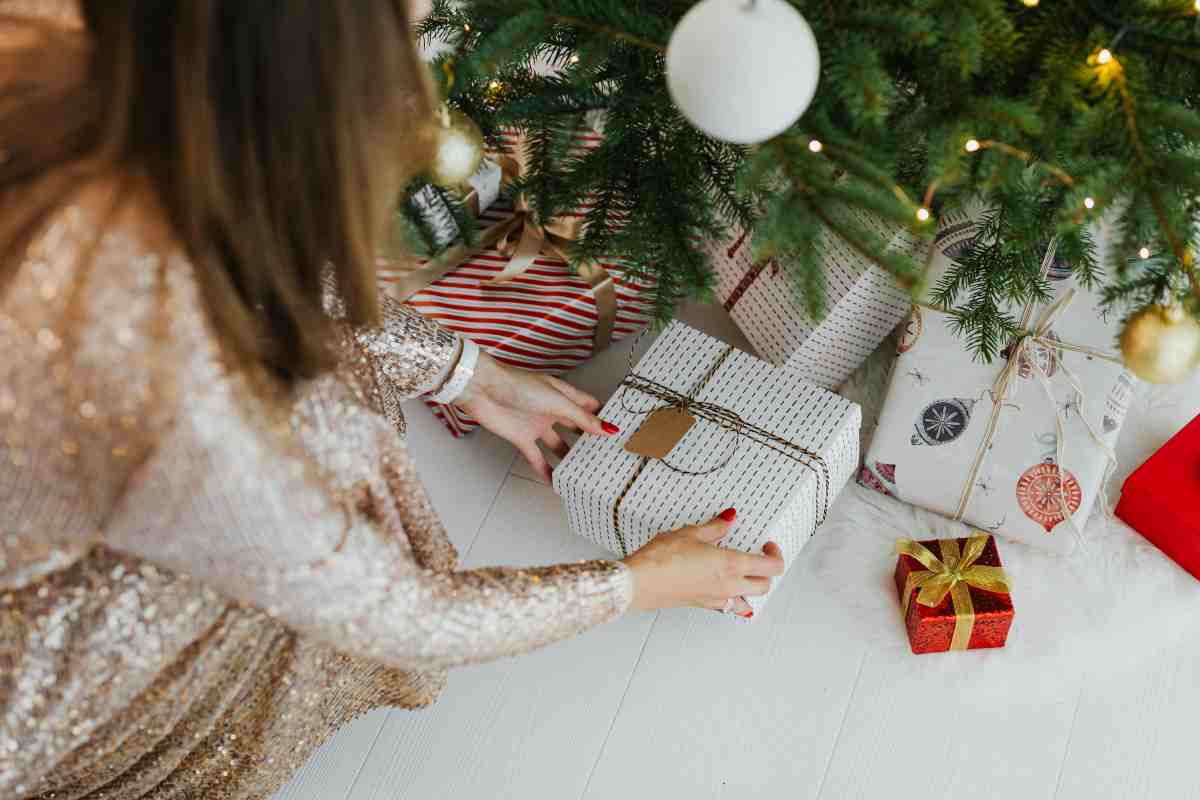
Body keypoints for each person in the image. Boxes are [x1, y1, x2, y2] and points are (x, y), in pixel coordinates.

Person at [0, 3, 786, 798]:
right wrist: (638, 583)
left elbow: (285, 285)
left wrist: (464, 372)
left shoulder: (87, 72)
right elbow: (403, 611)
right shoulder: (195, 409)